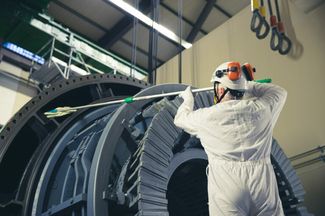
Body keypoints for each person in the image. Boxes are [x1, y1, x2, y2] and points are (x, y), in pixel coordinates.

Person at [174, 61, 287, 215]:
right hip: (262, 184)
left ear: (220, 89)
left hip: (228, 184)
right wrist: (249, 85)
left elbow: (180, 119)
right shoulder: (261, 109)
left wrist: (188, 100)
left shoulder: (207, 117)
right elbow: (280, 92)